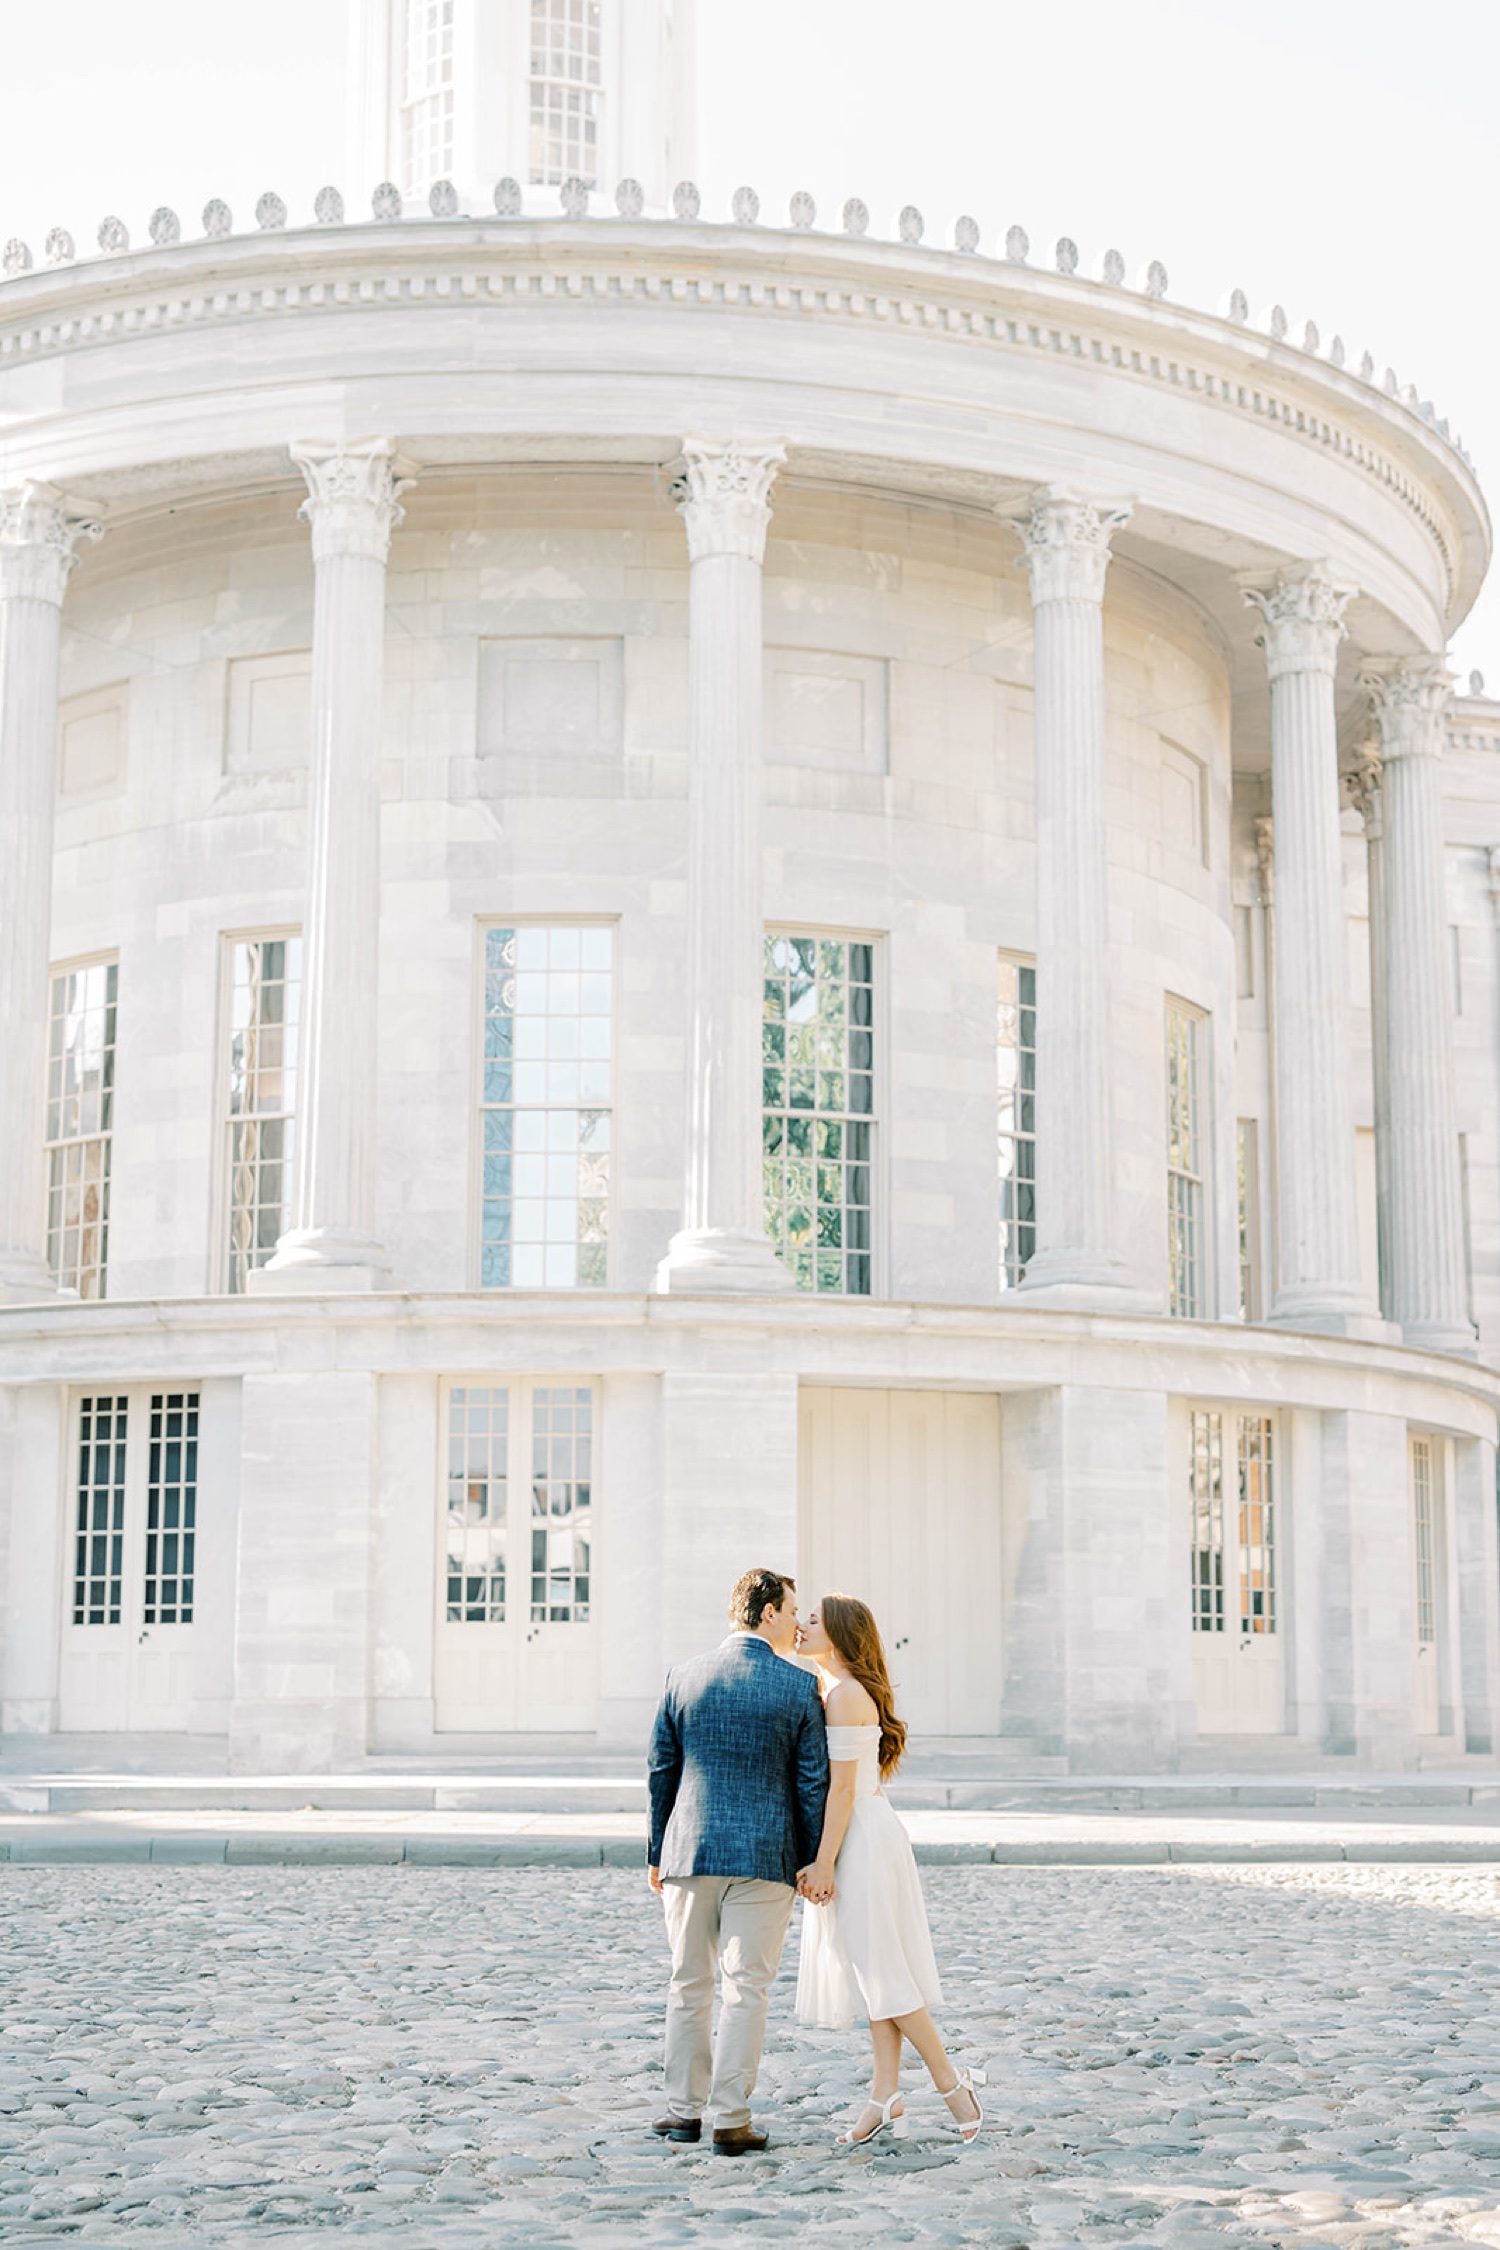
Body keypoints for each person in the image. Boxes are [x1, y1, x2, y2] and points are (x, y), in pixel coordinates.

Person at [647, 1566, 830, 2155]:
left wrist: (657, 1851)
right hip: (765, 1855)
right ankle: (730, 2117)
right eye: (793, 1609)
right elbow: (811, 1784)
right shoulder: (798, 1688)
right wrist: (811, 1859)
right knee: (746, 1989)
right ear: (769, 1611)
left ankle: (681, 2112)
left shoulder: (683, 1676)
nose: (798, 1621)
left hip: (690, 1852)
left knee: (687, 1984)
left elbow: (661, 1774)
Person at [794, 1592, 985, 2147]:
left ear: (840, 1634)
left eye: (813, 1620)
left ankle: (954, 2087)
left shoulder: (847, 1695)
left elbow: (845, 1788)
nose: (803, 1627)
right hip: (866, 1832)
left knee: (885, 1972)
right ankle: (885, 2095)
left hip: (862, 1840)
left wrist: (824, 1861)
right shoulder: (835, 1690)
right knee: (874, 1966)